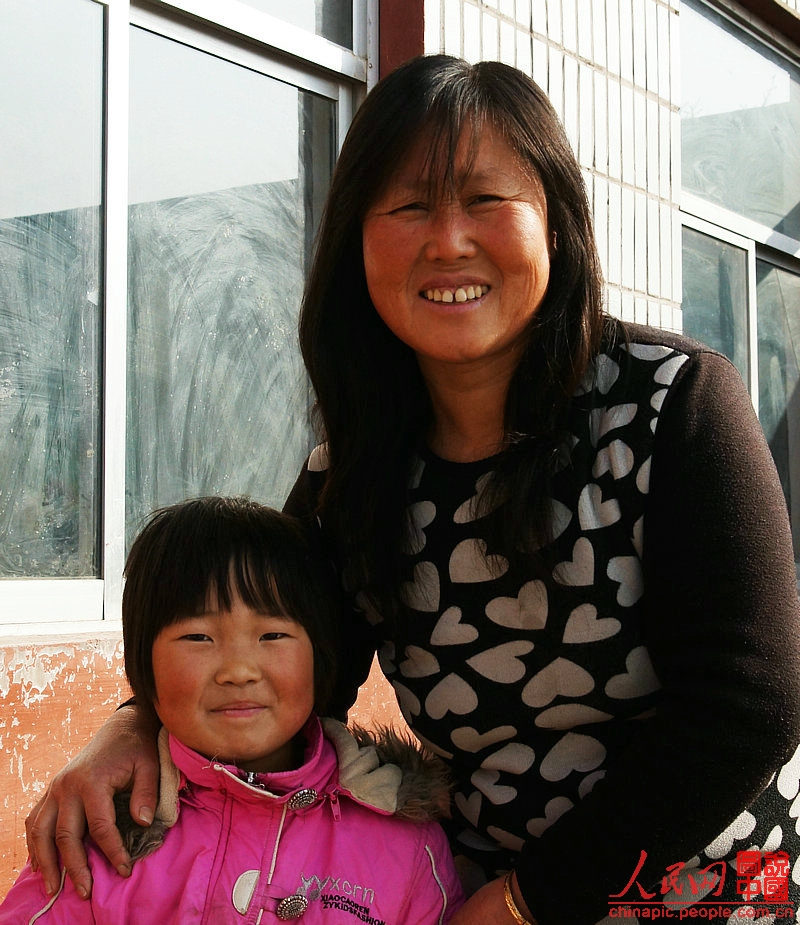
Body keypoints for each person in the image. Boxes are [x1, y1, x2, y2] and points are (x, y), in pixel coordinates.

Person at [24, 55, 800, 925]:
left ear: (556, 220)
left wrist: (527, 903)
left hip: (701, 892)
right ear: (356, 239)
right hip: (464, 889)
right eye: (408, 207)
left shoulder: (673, 404)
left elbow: (748, 709)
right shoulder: (355, 471)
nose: (448, 241)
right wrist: (130, 727)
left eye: (483, 199)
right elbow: (280, 649)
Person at [2, 497, 464, 923]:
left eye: (272, 636)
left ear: (321, 658)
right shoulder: (101, 827)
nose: (239, 670)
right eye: (198, 637)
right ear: (143, 664)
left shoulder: (406, 843)